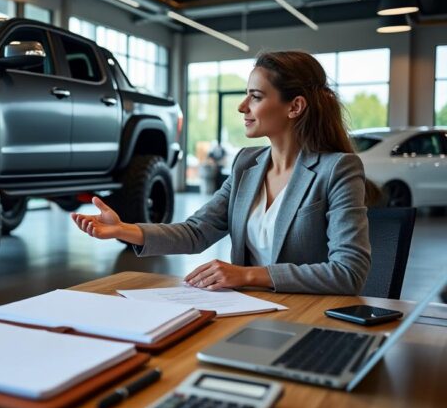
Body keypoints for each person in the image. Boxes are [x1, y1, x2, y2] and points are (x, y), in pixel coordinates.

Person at [71, 51, 371, 295]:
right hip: (249, 310)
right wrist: (122, 229)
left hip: (306, 314)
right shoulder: (246, 165)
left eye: (255, 96)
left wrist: (248, 275)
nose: (242, 107)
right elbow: (196, 232)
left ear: (295, 106)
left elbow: (348, 272)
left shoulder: (336, 169)